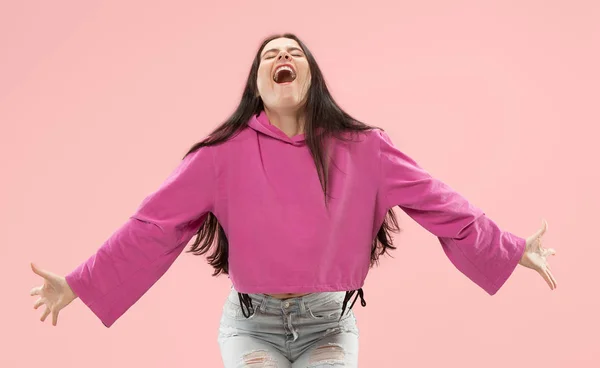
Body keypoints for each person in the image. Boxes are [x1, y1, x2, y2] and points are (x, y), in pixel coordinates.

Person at [29, 33, 557, 367]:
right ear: (258, 85)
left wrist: (508, 247)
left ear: (311, 78)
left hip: (329, 325)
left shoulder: (365, 148)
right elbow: (152, 226)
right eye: (270, 56)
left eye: (294, 52)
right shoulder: (220, 157)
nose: (283, 56)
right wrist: (81, 283)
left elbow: (442, 204)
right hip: (250, 325)